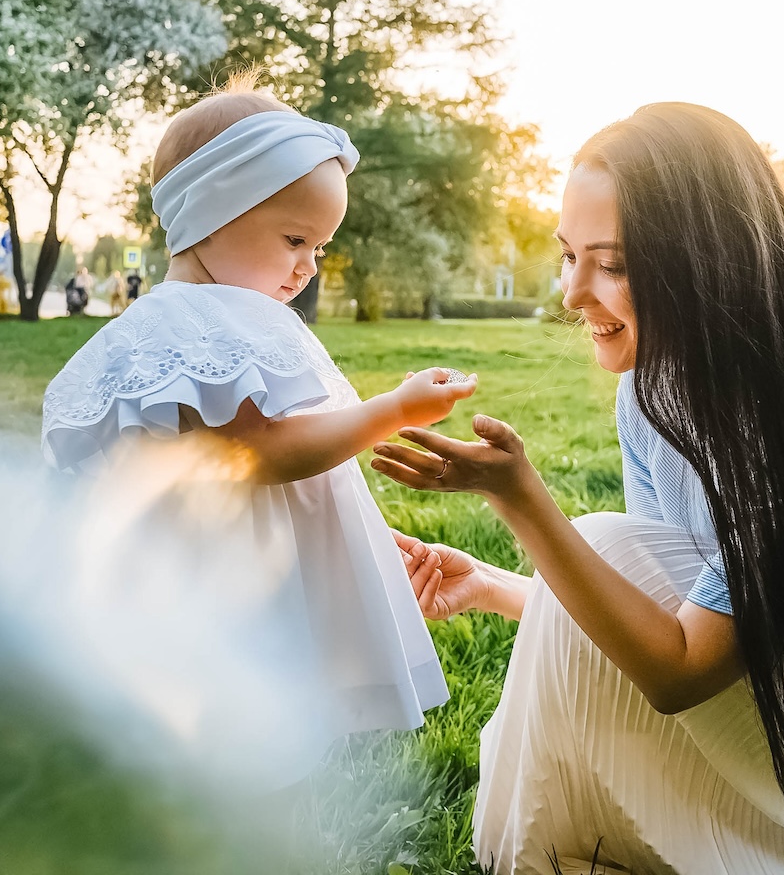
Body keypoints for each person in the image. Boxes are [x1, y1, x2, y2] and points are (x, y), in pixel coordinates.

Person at [373, 102, 784, 875]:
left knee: (602, 537)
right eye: (568, 255)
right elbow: (675, 609)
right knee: (612, 543)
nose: (573, 293)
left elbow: (680, 674)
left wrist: (519, 500)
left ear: (707, 263)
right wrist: (494, 588)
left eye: (611, 264)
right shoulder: (652, 389)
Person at [41, 73, 477, 793]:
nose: (308, 267)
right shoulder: (214, 321)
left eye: (322, 247)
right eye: (295, 238)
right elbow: (261, 453)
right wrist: (392, 411)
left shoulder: (178, 318)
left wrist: (358, 533)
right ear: (213, 215)